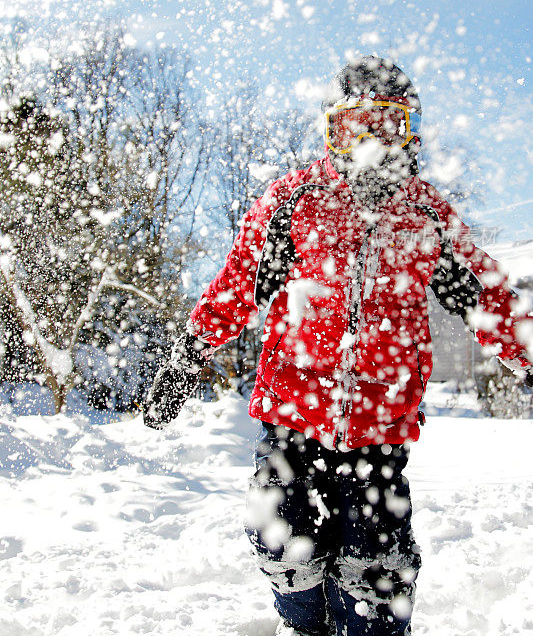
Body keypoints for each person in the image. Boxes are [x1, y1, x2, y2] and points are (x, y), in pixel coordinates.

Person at [143, 56, 532, 636]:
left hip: (379, 424)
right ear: (332, 130)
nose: (369, 141)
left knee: (376, 565)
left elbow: (487, 295)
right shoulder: (294, 202)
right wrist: (192, 350)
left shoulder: (424, 213)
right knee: (284, 542)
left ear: (409, 133)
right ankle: (305, 623)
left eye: (386, 125)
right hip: (292, 415)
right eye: (352, 125)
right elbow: (236, 285)